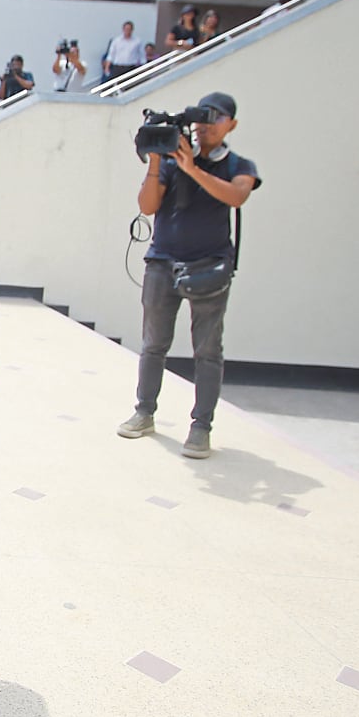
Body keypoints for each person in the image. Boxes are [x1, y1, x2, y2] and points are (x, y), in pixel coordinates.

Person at [117, 91, 261, 460]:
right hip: (162, 263)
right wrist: (155, 161)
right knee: (153, 344)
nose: (205, 125)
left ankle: (201, 428)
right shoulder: (169, 159)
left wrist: (192, 169)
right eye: (201, 117)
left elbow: (237, 197)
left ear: (232, 124)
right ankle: (144, 412)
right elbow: (147, 206)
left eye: (215, 118)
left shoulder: (239, 165)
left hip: (209, 267)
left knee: (208, 351)